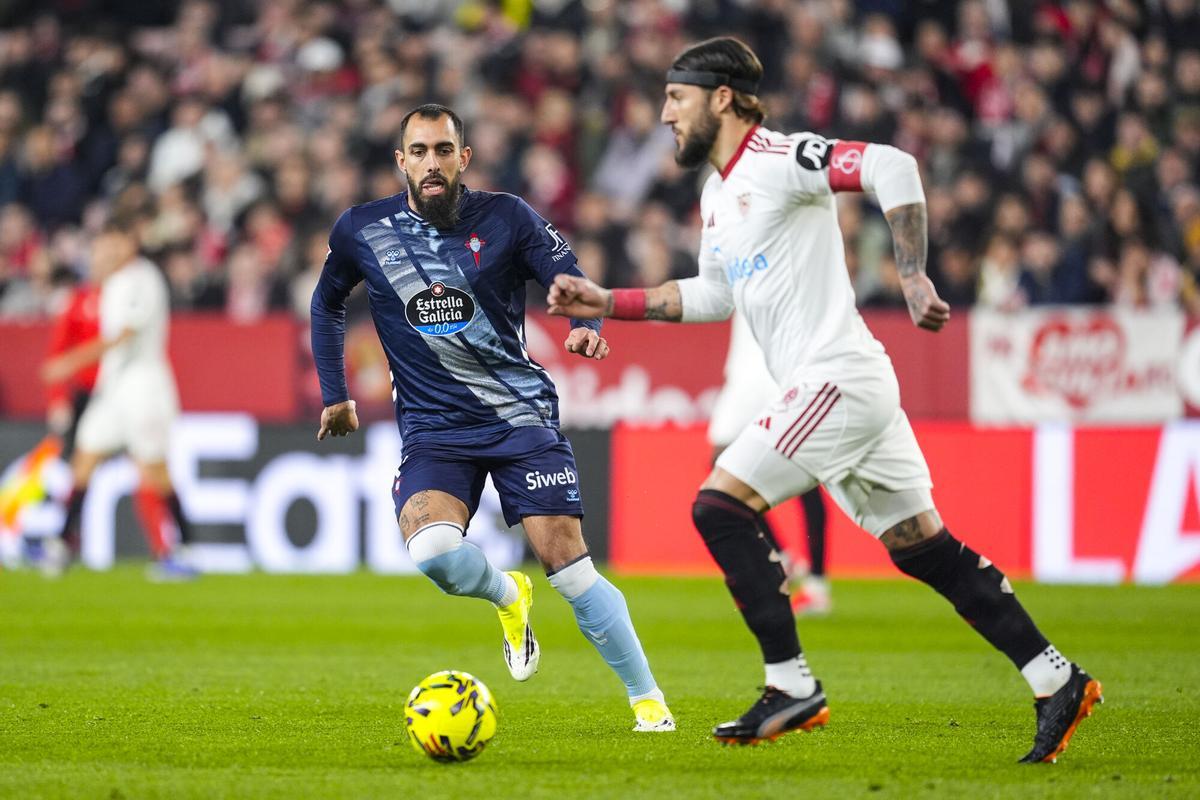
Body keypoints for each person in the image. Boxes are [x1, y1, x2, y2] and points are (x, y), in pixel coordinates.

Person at [548, 37, 1100, 762]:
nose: (664, 115)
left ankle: (790, 684)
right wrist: (607, 301)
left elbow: (891, 164)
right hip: (844, 383)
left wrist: (912, 273)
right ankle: (1056, 678)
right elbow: (714, 295)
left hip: (836, 377)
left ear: (722, 98)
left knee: (718, 505)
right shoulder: (717, 193)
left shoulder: (781, 158)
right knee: (924, 548)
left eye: (676, 98)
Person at [310, 103, 674, 733]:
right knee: (433, 552)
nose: (431, 163)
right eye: (419, 151)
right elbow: (326, 303)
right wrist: (335, 393)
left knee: (571, 568)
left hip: (518, 417)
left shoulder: (507, 217)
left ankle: (648, 701)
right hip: (434, 431)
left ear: (464, 157)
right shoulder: (363, 229)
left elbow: (570, 277)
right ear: (400, 161)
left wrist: (586, 324)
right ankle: (508, 594)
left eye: (443, 150)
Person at [40, 216, 196, 580]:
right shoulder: (113, 282)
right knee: (84, 458)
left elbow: (125, 334)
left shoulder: (143, 277)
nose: (109, 249)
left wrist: (70, 362)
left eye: (116, 241)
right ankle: (62, 542)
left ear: (131, 242)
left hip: (144, 387)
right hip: (112, 388)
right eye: (105, 242)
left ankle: (185, 547)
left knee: (155, 472)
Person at [708, 311, 831, 615]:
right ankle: (781, 556)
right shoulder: (736, 284)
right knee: (722, 467)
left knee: (804, 472)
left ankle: (817, 584)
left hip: (779, 377)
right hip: (742, 379)